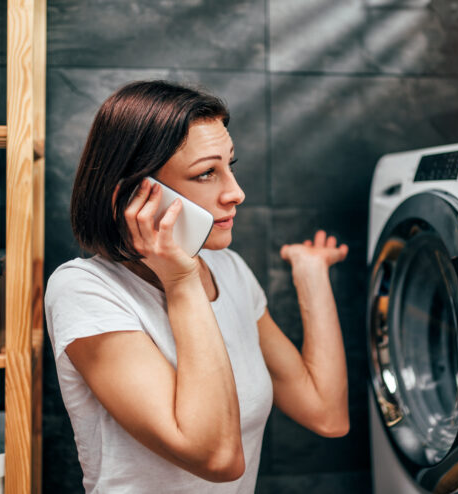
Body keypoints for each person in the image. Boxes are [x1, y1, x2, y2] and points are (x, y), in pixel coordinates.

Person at [44, 80, 350, 494]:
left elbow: (326, 414)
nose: (236, 193)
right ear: (134, 195)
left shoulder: (229, 269)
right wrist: (182, 281)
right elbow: (218, 458)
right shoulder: (85, 290)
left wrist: (311, 276)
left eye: (230, 166)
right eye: (206, 173)